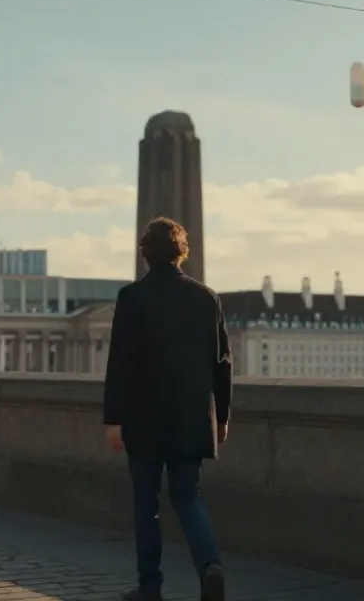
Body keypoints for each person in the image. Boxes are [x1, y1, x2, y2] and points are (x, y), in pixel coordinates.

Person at [102, 217, 233, 601]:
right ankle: (210, 565)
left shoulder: (132, 298)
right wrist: (222, 417)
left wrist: (113, 419)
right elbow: (222, 363)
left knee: (147, 505)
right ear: (181, 252)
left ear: (145, 255)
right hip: (192, 418)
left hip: (144, 420)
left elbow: (119, 363)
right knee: (188, 497)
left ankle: (150, 588)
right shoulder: (206, 297)